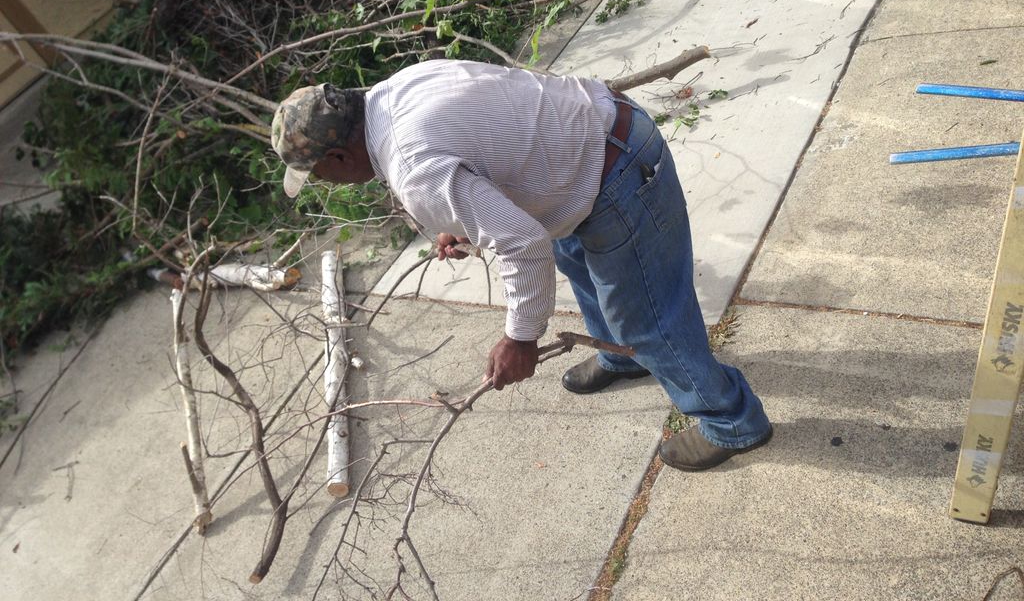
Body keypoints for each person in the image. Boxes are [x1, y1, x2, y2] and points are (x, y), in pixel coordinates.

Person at [271, 59, 772, 470]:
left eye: (317, 174)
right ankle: (622, 355)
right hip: (585, 150)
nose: (325, 184)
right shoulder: (392, 91)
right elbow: (481, 157)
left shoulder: (411, 165)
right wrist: (462, 223)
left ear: (338, 157)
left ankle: (732, 422)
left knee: (650, 319)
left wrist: (520, 338)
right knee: (578, 263)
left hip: (616, 171)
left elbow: (522, 244)